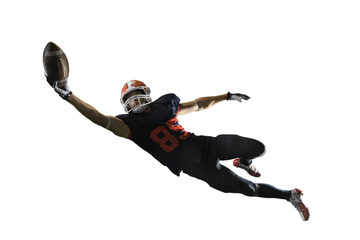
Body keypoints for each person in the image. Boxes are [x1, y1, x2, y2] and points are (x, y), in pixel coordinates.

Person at [52, 79, 310, 221]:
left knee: (258, 147)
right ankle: (289, 196)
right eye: (130, 99)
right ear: (125, 105)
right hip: (201, 170)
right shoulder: (129, 125)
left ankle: (243, 161)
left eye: (138, 95)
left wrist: (226, 96)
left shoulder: (165, 106)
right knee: (250, 190)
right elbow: (98, 117)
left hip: (206, 144)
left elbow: (198, 105)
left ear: (147, 94)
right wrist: (70, 96)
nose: (135, 101)